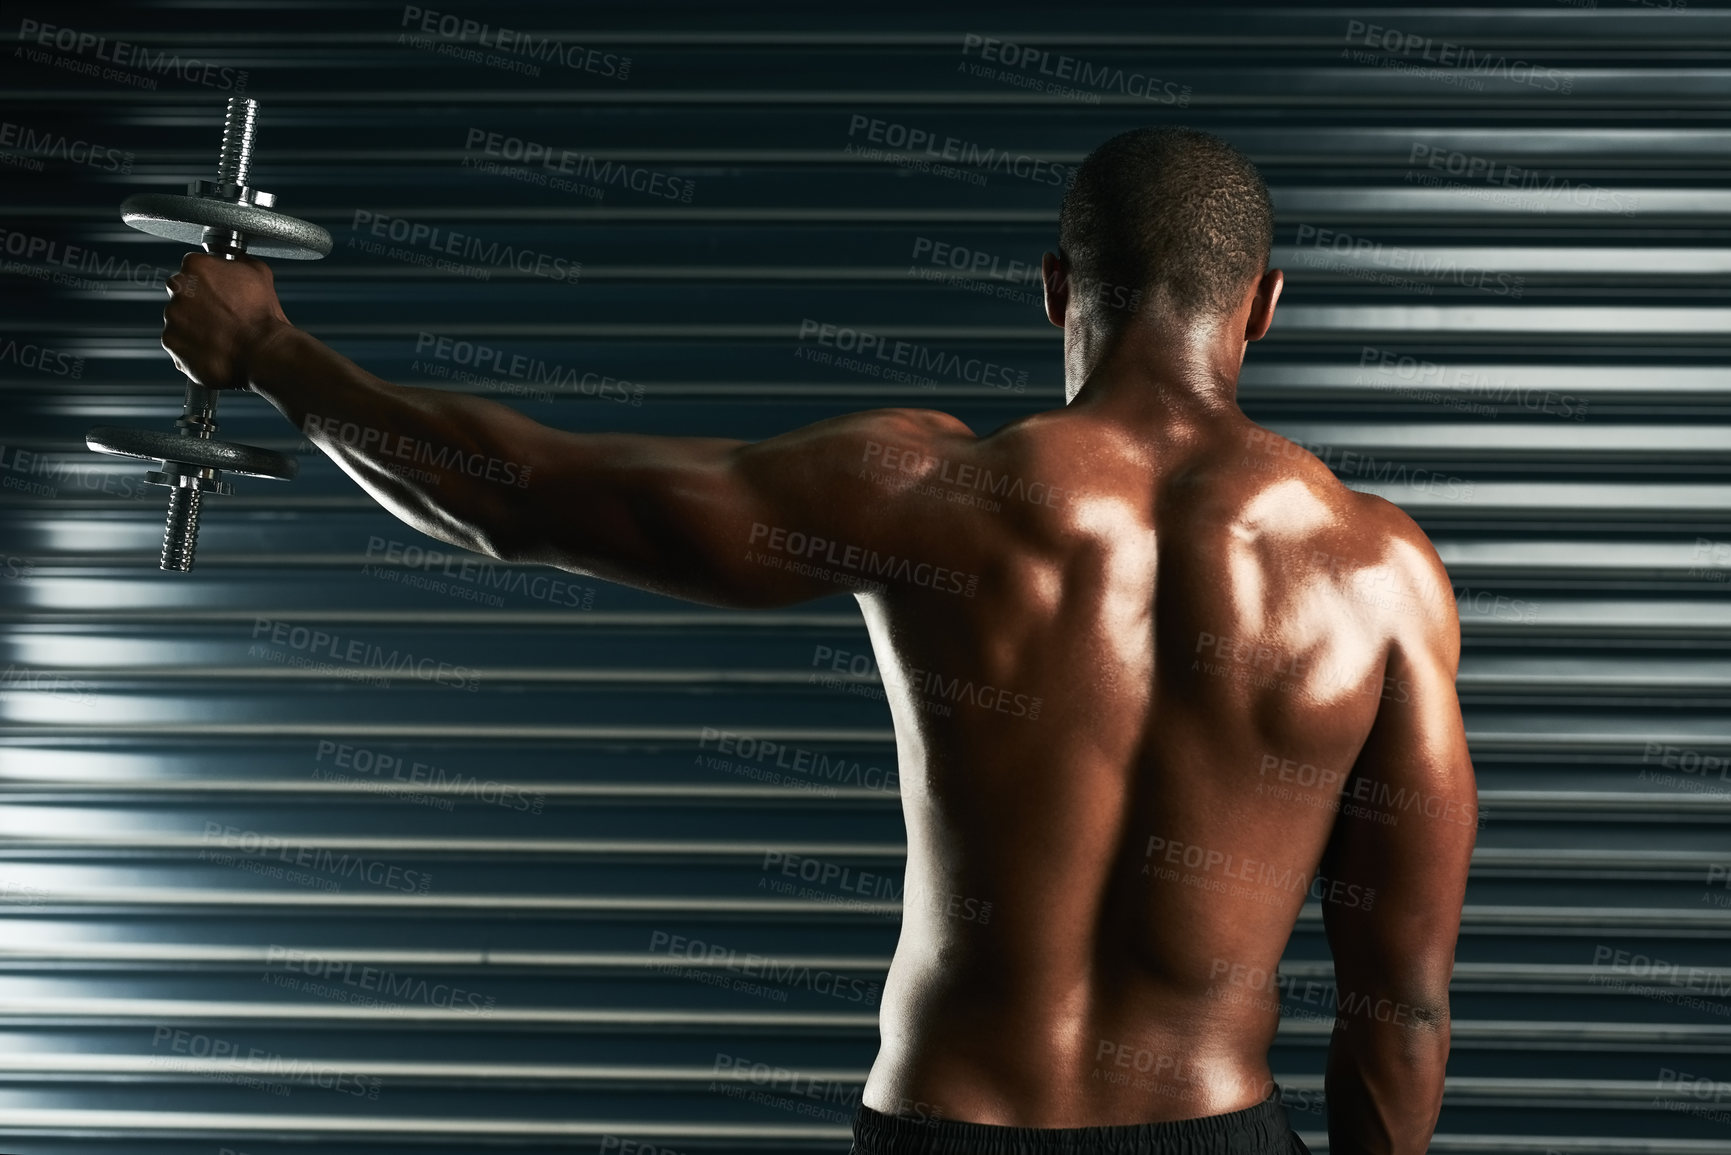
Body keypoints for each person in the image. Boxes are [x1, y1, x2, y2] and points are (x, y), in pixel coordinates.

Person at [161, 126, 1477, 1155]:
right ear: (1264, 306)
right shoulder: (1379, 578)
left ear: (1057, 286)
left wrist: (275, 352)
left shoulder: (931, 498)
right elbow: (1400, 1009)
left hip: (949, 1131)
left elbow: (527, 499)